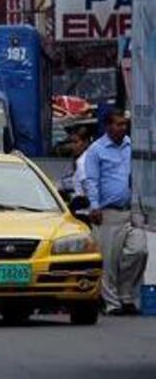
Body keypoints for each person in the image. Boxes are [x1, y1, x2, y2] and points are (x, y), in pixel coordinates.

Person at [84, 109, 145, 315]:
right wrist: (94, 205)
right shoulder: (96, 150)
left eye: (124, 124)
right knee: (109, 261)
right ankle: (112, 303)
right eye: (118, 124)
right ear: (108, 126)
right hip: (107, 212)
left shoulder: (131, 146)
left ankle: (126, 295)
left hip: (132, 210)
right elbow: (91, 180)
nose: (123, 128)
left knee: (138, 251)